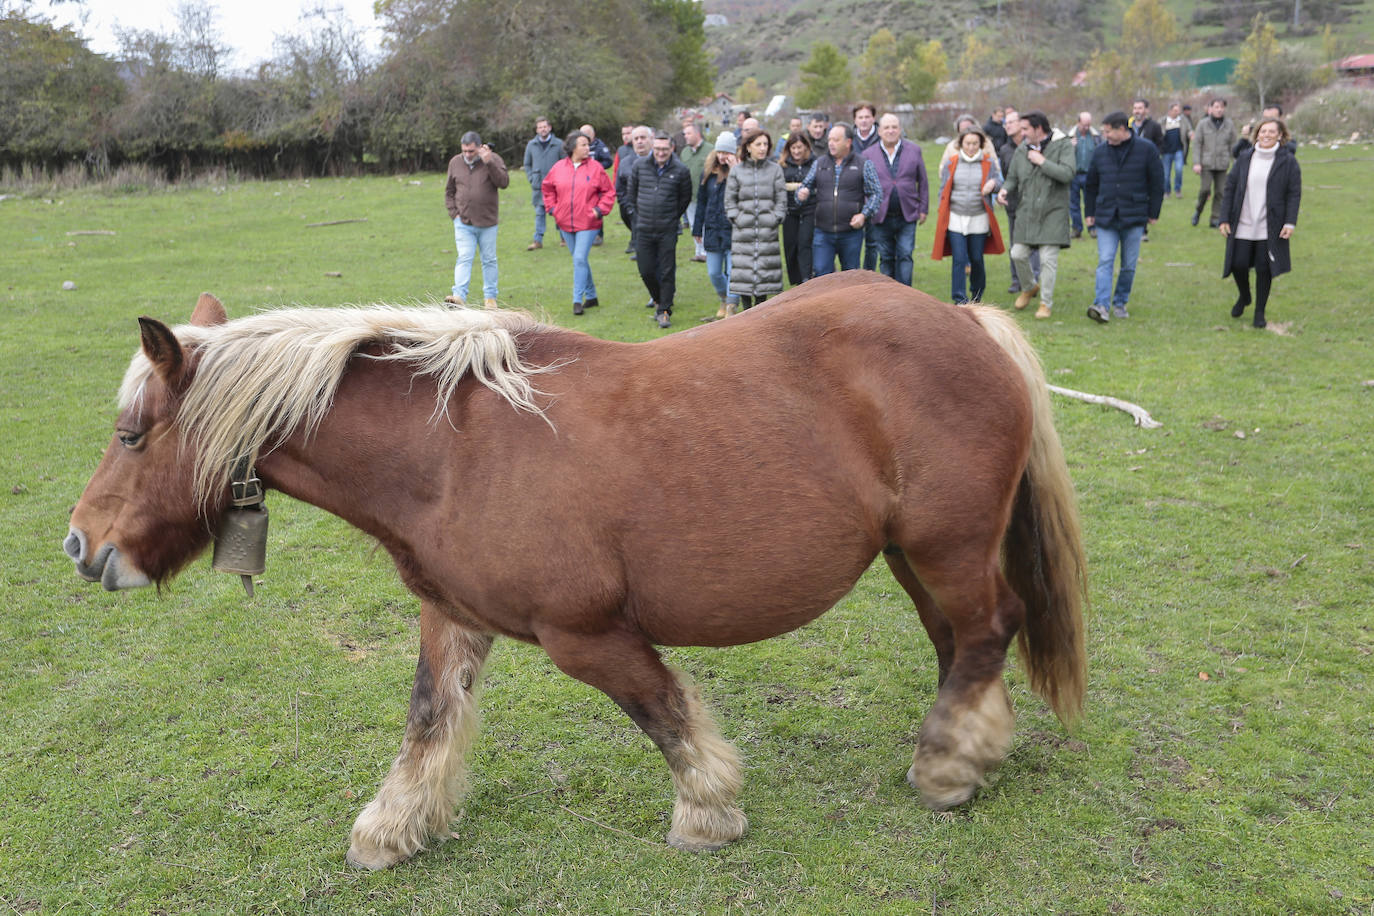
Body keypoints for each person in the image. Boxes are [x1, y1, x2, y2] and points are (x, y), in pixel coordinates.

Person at [1219, 117, 1301, 329]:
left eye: (1271, 132)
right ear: (1257, 134)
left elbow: (1294, 193)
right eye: (1263, 131)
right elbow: (1230, 188)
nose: (1266, 135)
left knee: (1265, 268)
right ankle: (1245, 297)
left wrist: (1290, 222)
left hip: (1270, 225)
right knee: (1237, 264)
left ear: (1280, 135)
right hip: (1243, 222)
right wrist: (1224, 218)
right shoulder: (1245, 157)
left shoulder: (1288, 161)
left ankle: (1259, 313)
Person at [1083, 111, 1165, 324]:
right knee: (1105, 260)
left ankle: (1120, 302)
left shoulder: (1146, 149)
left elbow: (1157, 182)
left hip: (1134, 216)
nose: (1105, 135)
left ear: (1122, 129)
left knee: (1128, 264)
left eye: (1108, 131)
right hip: (1106, 215)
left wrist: (1153, 212)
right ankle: (1101, 304)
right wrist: (1089, 212)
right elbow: (1091, 184)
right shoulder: (1100, 152)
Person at [996, 110, 1073, 319]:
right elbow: (1012, 177)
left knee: (1048, 258)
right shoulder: (1022, 149)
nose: (1021, 132)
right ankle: (1029, 287)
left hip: (1053, 212)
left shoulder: (1063, 144)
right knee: (1017, 253)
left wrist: (1042, 162)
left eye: (1025, 128)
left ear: (1038, 129)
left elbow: (1067, 174)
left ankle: (1045, 303)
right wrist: (1005, 190)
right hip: (1027, 211)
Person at [541, 131, 616, 316]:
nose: (587, 148)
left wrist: (598, 210)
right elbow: (547, 188)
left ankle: (577, 300)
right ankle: (592, 296)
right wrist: (553, 209)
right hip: (565, 222)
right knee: (579, 259)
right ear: (572, 147)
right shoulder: (558, 167)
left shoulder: (596, 168)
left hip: (589, 223)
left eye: (588, 144)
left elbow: (609, 192)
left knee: (579, 258)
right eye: (583, 144)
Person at [625, 131, 694, 329]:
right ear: (652, 148)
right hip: (644, 228)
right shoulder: (639, 166)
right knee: (645, 270)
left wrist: (671, 217)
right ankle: (657, 299)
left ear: (672, 148)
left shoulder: (681, 170)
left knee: (666, 271)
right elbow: (632, 193)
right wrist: (638, 215)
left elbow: (684, 199)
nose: (661, 153)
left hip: (667, 229)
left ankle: (664, 310)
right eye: (657, 149)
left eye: (665, 149)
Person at [795, 123, 882, 276]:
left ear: (848, 142)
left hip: (851, 233)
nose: (831, 143)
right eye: (829, 140)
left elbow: (876, 193)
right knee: (822, 275)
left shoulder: (863, 164)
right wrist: (801, 193)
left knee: (850, 278)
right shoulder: (820, 163)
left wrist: (863, 215)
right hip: (823, 232)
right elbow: (804, 186)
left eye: (836, 140)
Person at [931, 128, 1005, 304]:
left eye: (975, 143)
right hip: (956, 218)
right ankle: (959, 299)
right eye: (967, 143)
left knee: (977, 259)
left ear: (980, 144)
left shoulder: (988, 162)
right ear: (960, 144)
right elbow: (944, 188)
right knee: (959, 259)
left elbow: (999, 182)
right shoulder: (952, 162)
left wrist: (993, 184)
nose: (971, 147)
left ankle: (977, 296)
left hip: (979, 218)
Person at [861, 113, 929, 286]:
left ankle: (906, 294)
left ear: (900, 130)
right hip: (880, 215)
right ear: (879, 131)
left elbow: (923, 181)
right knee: (886, 258)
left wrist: (923, 208)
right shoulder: (868, 154)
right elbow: (863, 186)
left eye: (894, 127)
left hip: (907, 213)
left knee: (905, 255)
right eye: (886, 127)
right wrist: (867, 209)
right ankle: (889, 294)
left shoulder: (914, 150)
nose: (890, 131)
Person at [443, 131, 508, 308]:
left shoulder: (493, 159)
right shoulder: (455, 162)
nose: (467, 155)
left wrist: (490, 162)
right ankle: (459, 296)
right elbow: (449, 191)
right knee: (464, 257)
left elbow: (503, 182)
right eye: (464, 151)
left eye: (471, 151)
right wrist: (454, 214)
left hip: (488, 222)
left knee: (489, 259)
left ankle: (490, 298)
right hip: (463, 222)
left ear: (480, 147)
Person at [724, 128, 787, 310]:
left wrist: (775, 218)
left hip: (768, 232)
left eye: (765, 144)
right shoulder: (737, 172)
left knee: (765, 277)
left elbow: (781, 199)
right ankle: (745, 313)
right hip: (743, 232)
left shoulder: (775, 170)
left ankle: (761, 313)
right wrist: (737, 218)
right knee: (743, 276)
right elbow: (730, 200)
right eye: (758, 144)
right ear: (748, 147)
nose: (762, 148)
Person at [693, 133, 741, 319]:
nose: (723, 156)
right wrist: (698, 228)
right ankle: (723, 297)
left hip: (733, 230)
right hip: (713, 229)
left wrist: (735, 171)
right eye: (720, 152)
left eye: (727, 152)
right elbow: (701, 203)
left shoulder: (739, 172)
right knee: (714, 272)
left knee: (732, 272)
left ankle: (731, 307)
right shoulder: (708, 174)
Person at [997, 108, 1037, 295]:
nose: (1007, 125)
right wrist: (999, 188)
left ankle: (1034, 280)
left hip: (1034, 204)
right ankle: (1017, 281)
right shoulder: (1004, 150)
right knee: (1015, 245)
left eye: (1011, 122)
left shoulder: (1034, 146)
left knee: (1035, 244)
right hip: (1013, 205)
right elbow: (1004, 177)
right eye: (1006, 123)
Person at [1191, 98, 1237, 228]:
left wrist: (1236, 163)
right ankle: (1198, 211)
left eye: (1222, 107)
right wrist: (1196, 163)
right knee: (1205, 190)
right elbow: (1197, 144)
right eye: (1216, 107)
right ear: (1210, 108)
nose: (1219, 109)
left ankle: (1215, 218)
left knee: (1220, 192)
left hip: (1222, 164)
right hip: (1206, 163)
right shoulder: (1203, 124)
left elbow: (1234, 145)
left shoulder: (1229, 124)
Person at [779, 133, 817, 287]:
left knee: (804, 242)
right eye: (793, 148)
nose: (796, 151)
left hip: (809, 209)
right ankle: (795, 280)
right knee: (790, 245)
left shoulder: (814, 163)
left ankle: (806, 277)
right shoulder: (783, 165)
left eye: (799, 147)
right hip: (790, 211)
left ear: (806, 147)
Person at [523, 117, 561, 250]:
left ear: (549, 128)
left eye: (545, 126)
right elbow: (527, 164)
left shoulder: (559, 144)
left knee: (558, 212)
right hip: (538, 186)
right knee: (539, 213)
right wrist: (531, 178)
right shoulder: (531, 145)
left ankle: (564, 238)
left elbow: (565, 163)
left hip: (556, 186)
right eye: (540, 127)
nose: (542, 129)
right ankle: (537, 240)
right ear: (537, 129)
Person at [616, 126, 653, 256]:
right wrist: (629, 207)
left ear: (651, 139)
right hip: (632, 210)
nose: (639, 141)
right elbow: (620, 188)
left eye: (643, 138)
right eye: (636, 138)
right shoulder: (625, 163)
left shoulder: (663, 160)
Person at [677, 119, 710, 260]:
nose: (686, 136)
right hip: (689, 196)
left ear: (697, 134)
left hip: (706, 195)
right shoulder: (684, 152)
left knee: (705, 224)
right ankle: (698, 252)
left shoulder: (710, 149)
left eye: (689, 133)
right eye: (685, 134)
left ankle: (707, 252)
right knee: (693, 224)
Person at [1069, 111, 1101, 239]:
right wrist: (1070, 146)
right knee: (1073, 203)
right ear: (1078, 123)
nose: (1086, 128)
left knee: (1091, 202)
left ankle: (1093, 228)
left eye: (1088, 125)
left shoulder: (1095, 137)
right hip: (1074, 175)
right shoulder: (1069, 137)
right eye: (1084, 125)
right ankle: (1077, 229)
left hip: (1090, 174)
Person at [1234, 104, 1299, 158]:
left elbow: (1291, 150)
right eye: (1265, 118)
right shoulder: (1258, 136)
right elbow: (1237, 154)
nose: (1268, 121)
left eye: (1272, 118)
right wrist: (1245, 139)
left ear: (1281, 118)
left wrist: (1272, 139)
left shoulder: (1287, 138)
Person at [1160, 103, 1190, 199]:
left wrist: (1191, 134)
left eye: (1178, 110)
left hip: (1178, 151)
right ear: (1170, 111)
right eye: (1175, 110)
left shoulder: (1183, 121)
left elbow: (1189, 130)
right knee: (1166, 174)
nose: (1178, 112)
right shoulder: (1163, 122)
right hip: (1166, 152)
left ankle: (1178, 190)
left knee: (1179, 170)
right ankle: (1167, 191)